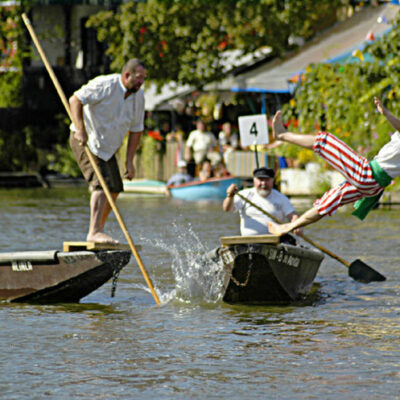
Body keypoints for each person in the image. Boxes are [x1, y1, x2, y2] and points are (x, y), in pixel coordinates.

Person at [268, 97, 400, 236]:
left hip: (367, 175)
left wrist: (387, 114)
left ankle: (282, 135)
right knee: (329, 202)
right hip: (373, 187)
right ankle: (288, 227)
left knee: (324, 140)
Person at [69, 58, 146, 244]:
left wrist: (129, 161)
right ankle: (94, 232)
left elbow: (136, 130)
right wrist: (80, 129)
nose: (141, 81)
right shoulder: (105, 84)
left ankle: (99, 231)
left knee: (115, 188)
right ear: (127, 75)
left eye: (143, 78)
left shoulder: (139, 97)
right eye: (138, 77)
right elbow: (75, 100)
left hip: (108, 149)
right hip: (87, 141)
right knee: (100, 184)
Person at [223, 167, 301, 236]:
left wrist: (296, 224)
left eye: (267, 180)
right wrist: (230, 196)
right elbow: (227, 209)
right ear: (254, 181)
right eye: (260, 180)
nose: (263, 183)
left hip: (274, 241)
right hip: (248, 242)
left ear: (272, 181)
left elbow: (292, 215)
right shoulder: (244, 195)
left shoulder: (281, 198)